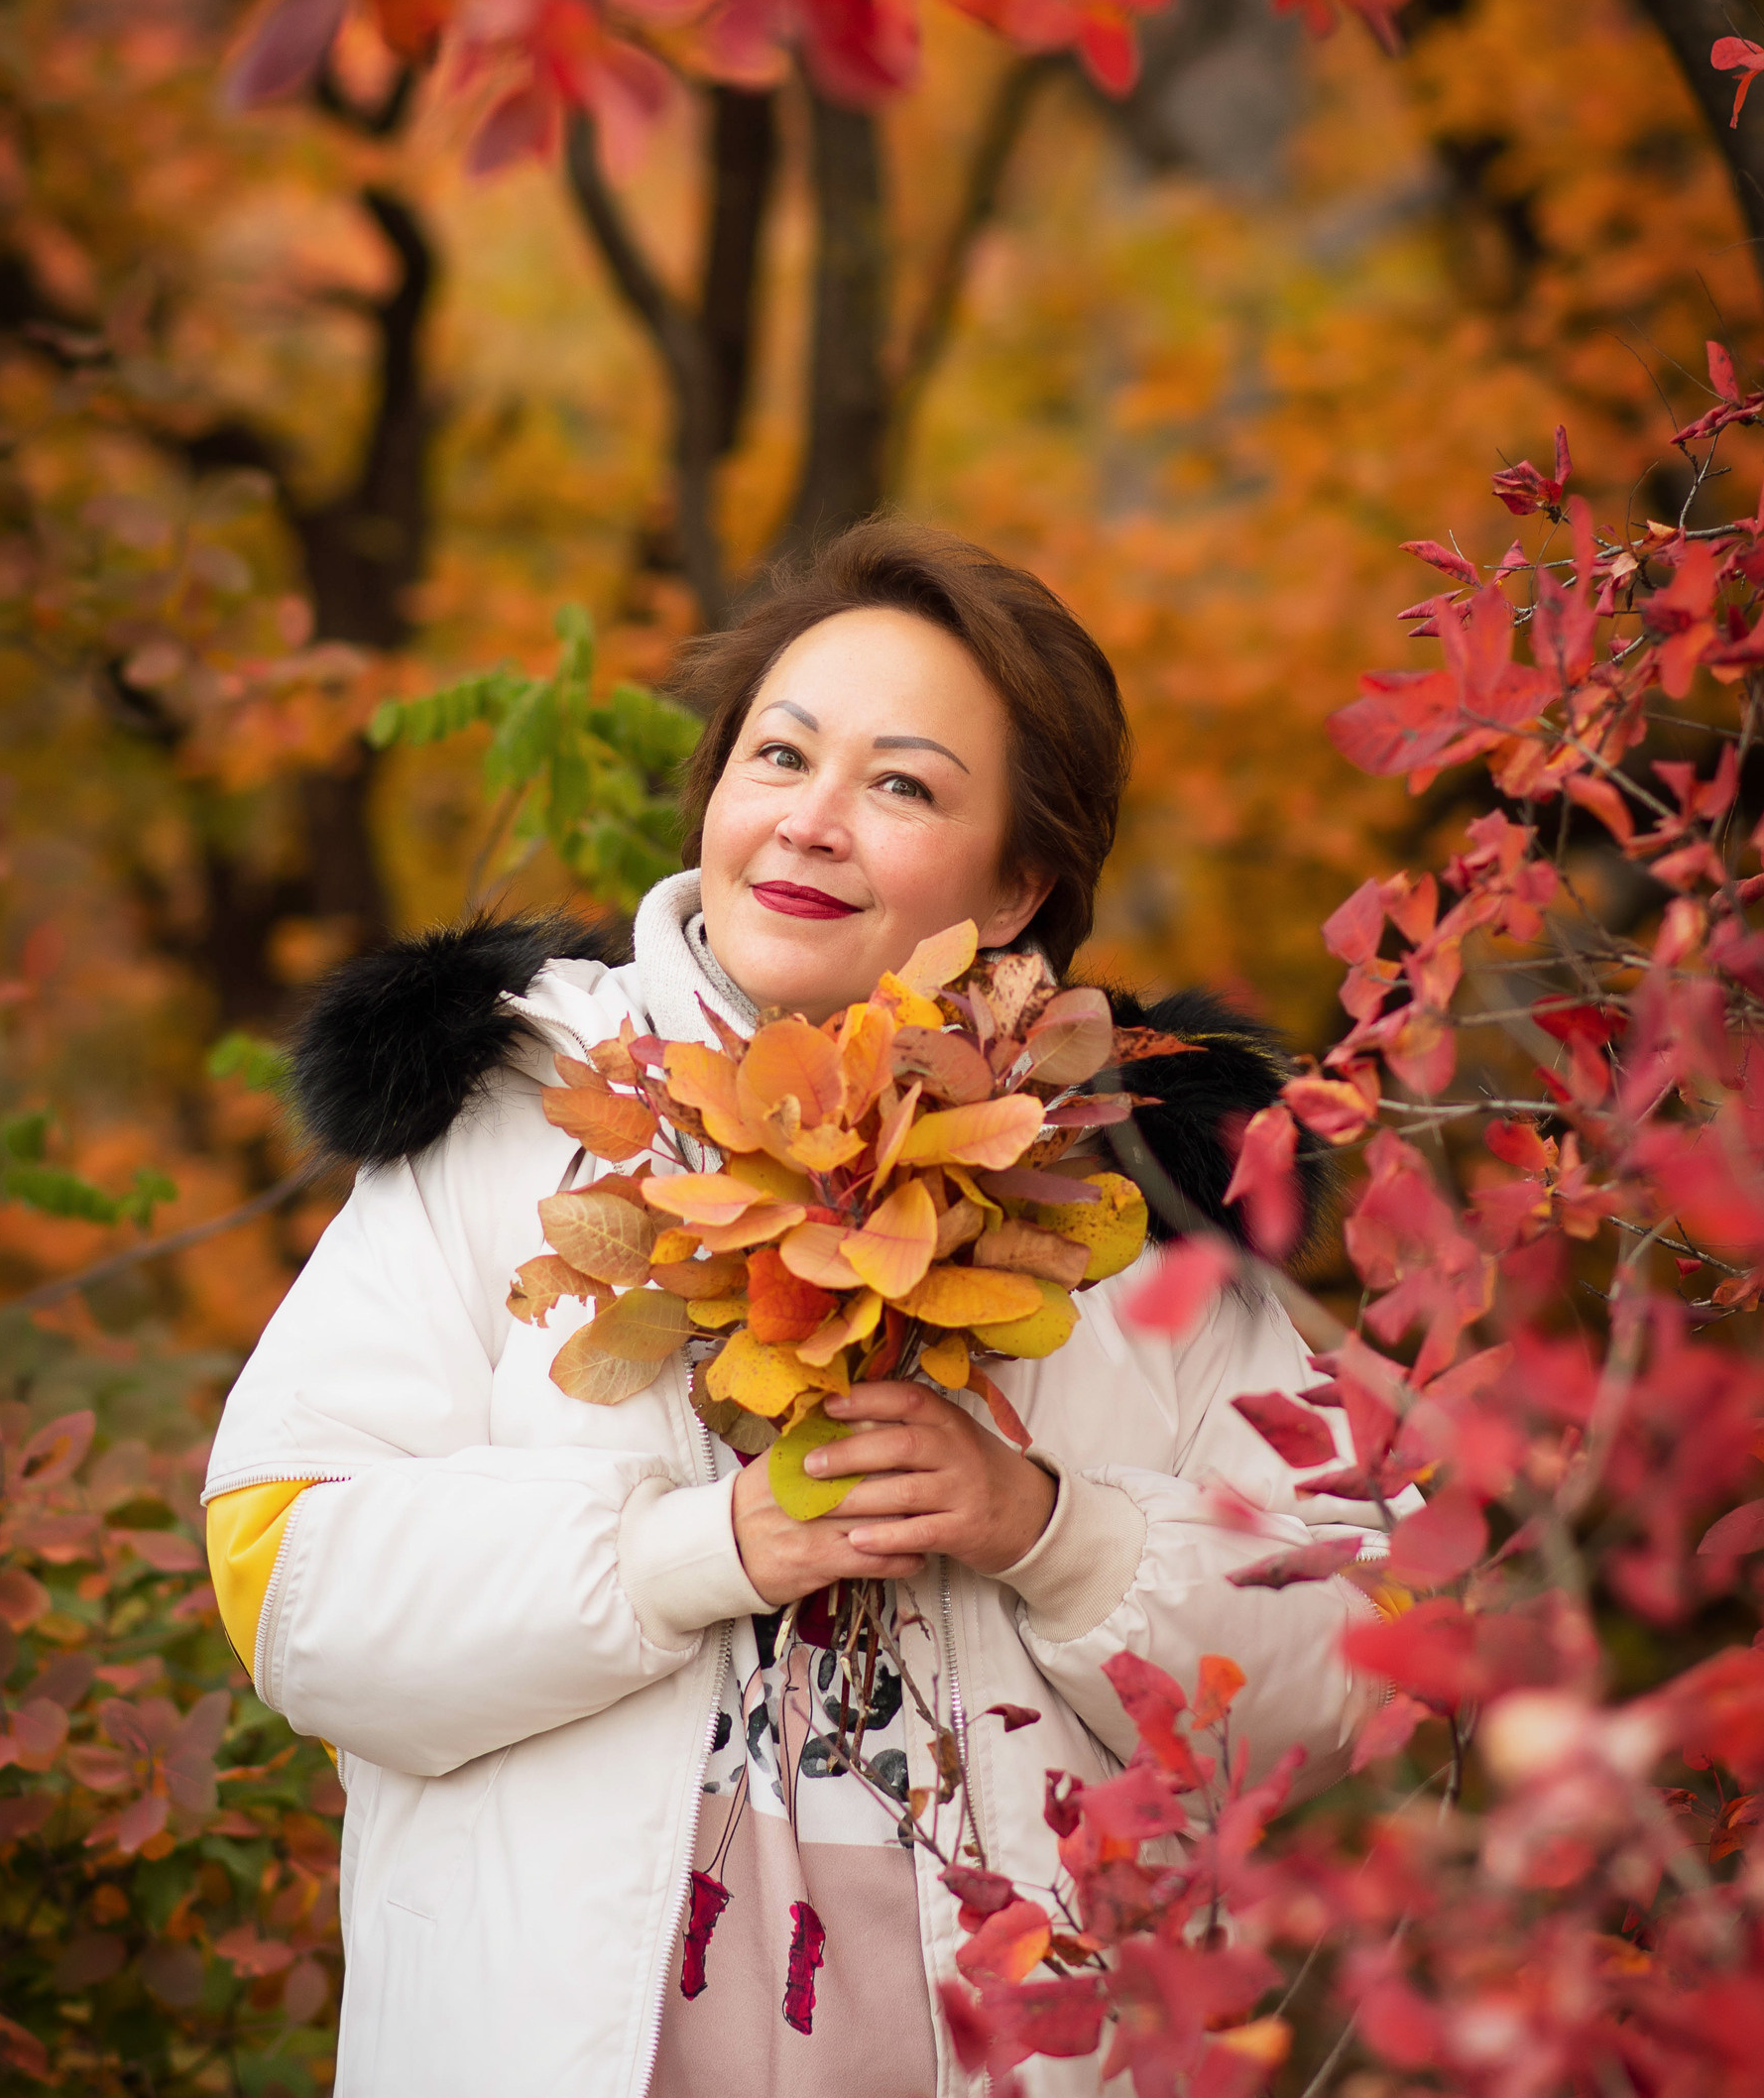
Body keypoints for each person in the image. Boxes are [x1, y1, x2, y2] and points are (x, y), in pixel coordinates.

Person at [203, 523, 1385, 2098]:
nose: (810, 823)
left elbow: (1367, 1654)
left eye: (901, 785)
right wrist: (700, 1550)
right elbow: (285, 1578)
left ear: (1021, 878)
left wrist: (1053, 1530)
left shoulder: (1132, 1186)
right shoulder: (517, 1112)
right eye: (779, 754)